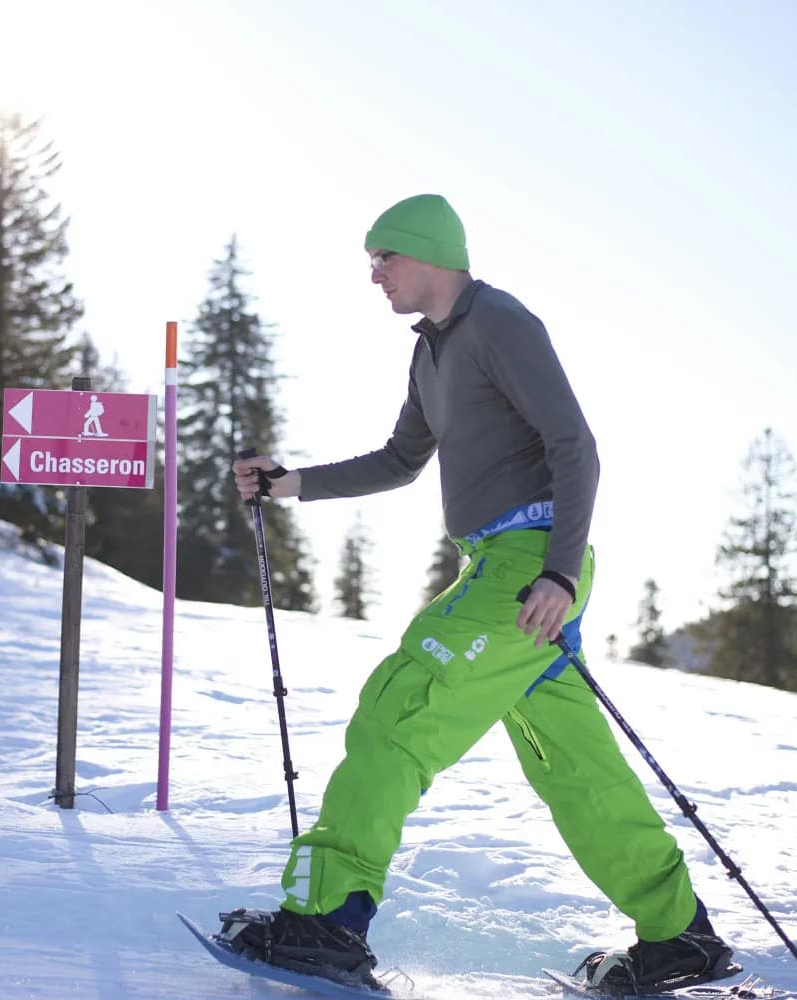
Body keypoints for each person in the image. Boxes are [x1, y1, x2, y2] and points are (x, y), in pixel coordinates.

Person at [222, 194, 733, 994]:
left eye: (382, 258)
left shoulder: (500, 322)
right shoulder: (428, 354)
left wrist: (560, 572)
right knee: (573, 764)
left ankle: (327, 921)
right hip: (499, 565)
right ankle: (679, 936)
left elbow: (577, 447)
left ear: (425, 251)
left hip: (529, 570)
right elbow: (399, 459)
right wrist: (290, 485)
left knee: (400, 708)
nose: (373, 275)